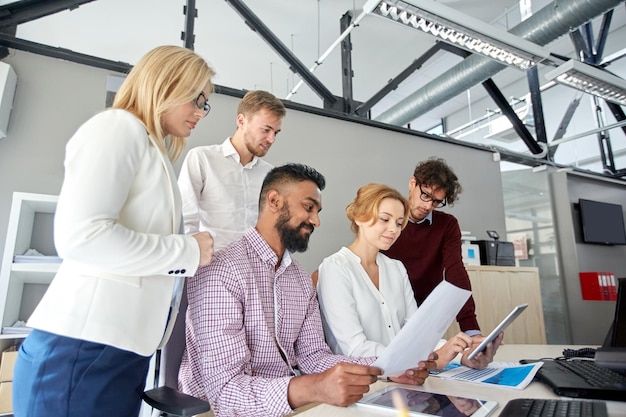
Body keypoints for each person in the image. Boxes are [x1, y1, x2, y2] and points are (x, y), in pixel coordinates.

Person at [12, 45, 216, 417]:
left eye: (206, 102)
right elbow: (82, 236)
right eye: (197, 98)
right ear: (167, 84)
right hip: (83, 349)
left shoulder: (153, 149)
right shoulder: (118, 127)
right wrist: (187, 251)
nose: (201, 111)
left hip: (118, 352)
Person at [178, 164, 438, 417]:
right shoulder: (221, 270)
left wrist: (386, 368)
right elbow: (226, 394)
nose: (316, 220)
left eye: (318, 211)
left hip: (291, 404)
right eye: (308, 208)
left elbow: (314, 357)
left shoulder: (300, 279)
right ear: (274, 201)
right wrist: (313, 387)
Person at [317, 183, 499, 370]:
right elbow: (354, 348)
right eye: (385, 219)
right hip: (362, 380)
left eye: (398, 223)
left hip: (404, 375)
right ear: (359, 217)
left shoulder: (396, 268)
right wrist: (432, 356)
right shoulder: (335, 268)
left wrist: (460, 354)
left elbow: (416, 332)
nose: (394, 229)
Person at [383, 157, 481, 336]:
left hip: (424, 313)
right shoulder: (386, 218)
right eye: (426, 195)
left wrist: (471, 329)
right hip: (386, 311)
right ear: (412, 183)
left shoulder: (447, 225)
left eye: (436, 201)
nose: (428, 206)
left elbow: (455, 271)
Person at [177, 89, 286, 251]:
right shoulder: (202, 159)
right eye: (266, 130)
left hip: (256, 269)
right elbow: (186, 220)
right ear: (241, 121)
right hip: (211, 267)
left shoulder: (271, 175)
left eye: (276, 133)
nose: (272, 139)